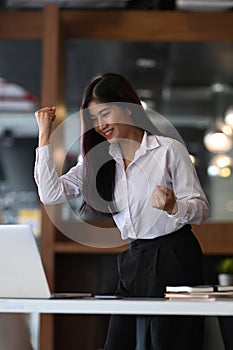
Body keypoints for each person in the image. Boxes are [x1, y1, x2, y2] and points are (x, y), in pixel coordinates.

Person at [34, 72, 209, 350]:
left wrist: (174, 205)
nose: (100, 125)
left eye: (105, 113)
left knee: (171, 342)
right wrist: (44, 137)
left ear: (129, 108)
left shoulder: (168, 150)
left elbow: (201, 210)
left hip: (175, 257)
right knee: (117, 342)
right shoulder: (101, 162)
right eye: (93, 119)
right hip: (133, 259)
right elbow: (51, 193)